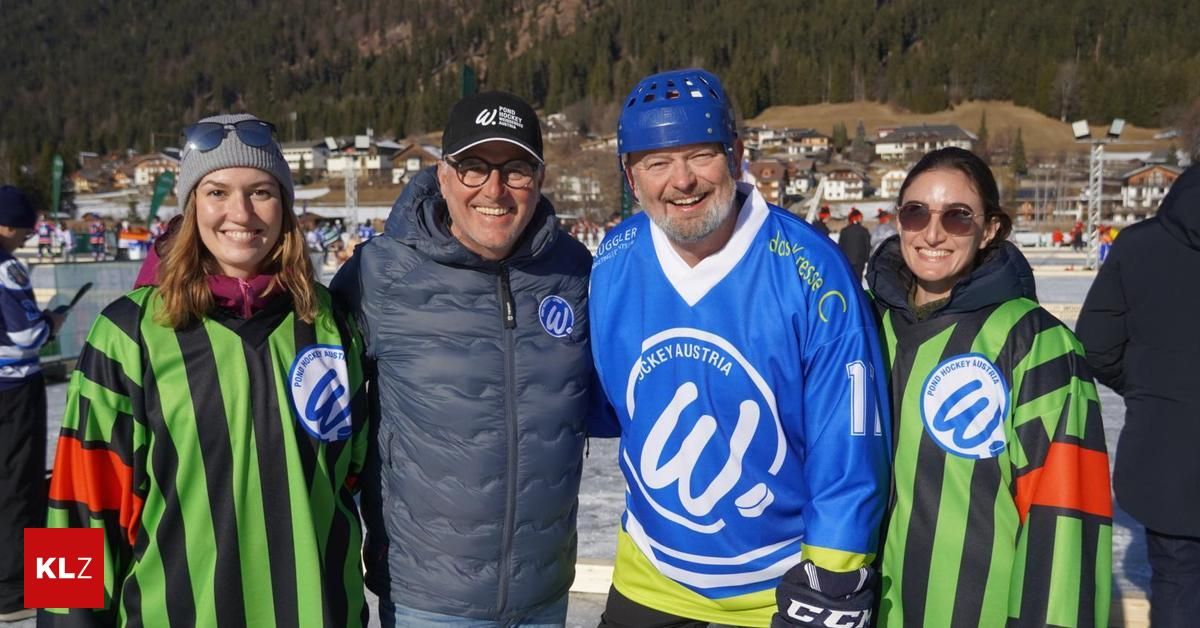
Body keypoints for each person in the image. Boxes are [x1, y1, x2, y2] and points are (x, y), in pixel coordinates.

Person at [589, 68, 891, 628]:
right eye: (657, 163)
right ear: (631, 178)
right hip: (652, 578)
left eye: (700, 156)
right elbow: (608, 402)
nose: (681, 181)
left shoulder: (808, 268)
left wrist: (833, 576)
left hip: (778, 588)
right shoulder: (615, 258)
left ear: (735, 155)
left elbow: (847, 441)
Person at [42, 114, 370, 626]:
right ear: (192, 207)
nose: (240, 212)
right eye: (217, 192)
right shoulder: (129, 334)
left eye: (261, 191)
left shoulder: (329, 324)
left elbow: (351, 474)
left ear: (284, 206)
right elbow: (76, 505)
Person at [330, 91, 595, 627]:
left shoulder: (574, 271)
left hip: (545, 596)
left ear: (539, 179)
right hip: (427, 602)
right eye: (474, 168)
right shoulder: (380, 275)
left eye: (516, 169)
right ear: (444, 175)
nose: (494, 190)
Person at [865, 147, 1111, 626]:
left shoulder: (1036, 343)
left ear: (991, 228)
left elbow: (1066, 518)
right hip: (866, 607)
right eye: (916, 213)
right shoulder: (865, 327)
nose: (932, 233)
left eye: (958, 217)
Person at [1076, 165, 1200, 628]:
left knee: (1177, 583)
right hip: (1166, 456)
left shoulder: (1139, 245)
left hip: (1165, 456)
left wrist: (1150, 387)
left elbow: (1096, 344)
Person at [0, 186, 64, 622]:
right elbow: (27, 335)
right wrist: (51, 323)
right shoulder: (6, 267)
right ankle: (14, 591)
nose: (26, 237)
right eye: (24, 229)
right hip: (14, 387)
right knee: (18, 483)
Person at [838, 207, 871, 282]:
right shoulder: (864, 230)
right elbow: (867, 246)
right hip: (859, 261)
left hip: (846, 260)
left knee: (848, 281)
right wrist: (866, 258)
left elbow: (840, 246)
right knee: (858, 281)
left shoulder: (844, 231)